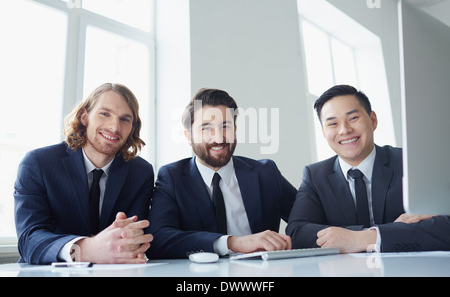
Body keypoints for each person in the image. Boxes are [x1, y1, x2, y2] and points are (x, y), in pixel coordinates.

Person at [287, 85, 450, 253]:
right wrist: (366, 235)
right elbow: (297, 231)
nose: (345, 130)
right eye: (333, 123)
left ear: (373, 120)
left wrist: (369, 238)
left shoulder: (410, 163)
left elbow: (445, 224)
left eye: (353, 118)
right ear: (324, 132)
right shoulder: (315, 175)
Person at [146, 88, 296, 259]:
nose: (218, 137)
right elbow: (157, 240)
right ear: (188, 136)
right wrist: (231, 243)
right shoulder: (172, 177)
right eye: (206, 128)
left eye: (225, 126)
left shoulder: (266, 173)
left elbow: (304, 221)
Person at [14, 83, 154, 265]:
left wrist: (129, 239)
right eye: (105, 114)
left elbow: (133, 239)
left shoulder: (140, 172)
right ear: (84, 117)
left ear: (132, 129)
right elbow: (29, 240)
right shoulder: (38, 163)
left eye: (125, 119)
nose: (114, 126)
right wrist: (85, 249)